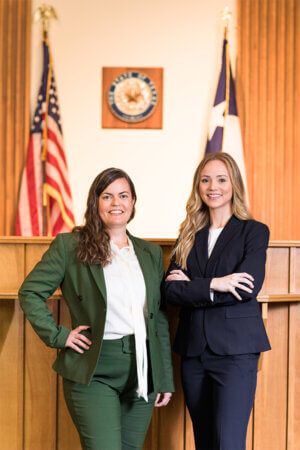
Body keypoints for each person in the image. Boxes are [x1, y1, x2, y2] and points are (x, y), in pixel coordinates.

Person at [19, 168, 174, 450]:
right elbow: (30, 292)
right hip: (95, 370)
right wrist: (59, 335)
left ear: (133, 203)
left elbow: (158, 317)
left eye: (124, 195)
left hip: (143, 371)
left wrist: (163, 376)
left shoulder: (149, 253)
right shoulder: (70, 246)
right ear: (95, 203)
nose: (116, 203)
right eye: (107, 196)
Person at [163, 152, 271, 450]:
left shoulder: (254, 231)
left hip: (236, 354)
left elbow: (246, 287)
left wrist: (194, 288)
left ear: (233, 184)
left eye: (222, 179)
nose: (214, 186)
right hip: (194, 353)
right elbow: (170, 292)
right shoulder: (188, 234)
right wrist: (215, 284)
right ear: (198, 186)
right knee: (205, 443)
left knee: (228, 443)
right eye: (206, 180)